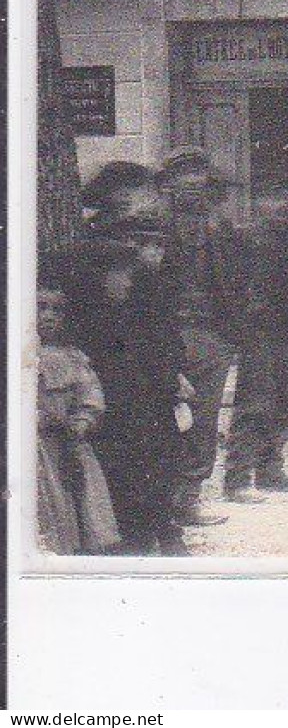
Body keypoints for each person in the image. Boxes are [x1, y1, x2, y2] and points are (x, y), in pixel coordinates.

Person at [72, 230, 190, 555]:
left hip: (145, 408)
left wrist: (170, 381)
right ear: (100, 277)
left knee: (159, 459)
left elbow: (157, 352)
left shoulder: (136, 308)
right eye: (120, 274)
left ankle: (165, 529)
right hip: (113, 413)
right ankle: (144, 533)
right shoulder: (90, 319)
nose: (127, 282)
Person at [159, 147, 246, 528]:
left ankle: (189, 497)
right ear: (170, 185)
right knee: (163, 416)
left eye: (198, 178)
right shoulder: (155, 227)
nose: (191, 186)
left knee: (204, 419)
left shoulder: (219, 226)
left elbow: (235, 281)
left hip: (210, 336)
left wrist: (230, 337)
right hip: (165, 333)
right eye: (183, 178)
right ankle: (159, 500)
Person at [223, 188, 288, 501]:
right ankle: (237, 478)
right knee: (253, 404)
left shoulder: (287, 239)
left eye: (287, 200)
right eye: (274, 198)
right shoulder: (243, 239)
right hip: (256, 333)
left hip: (280, 332)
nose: (283, 205)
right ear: (258, 203)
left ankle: (270, 469)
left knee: (281, 403)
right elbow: (232, 287)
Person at [35, 258, 120, 555]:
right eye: (41, 308)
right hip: (36, 446)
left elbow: (90, 394)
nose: (48, 316)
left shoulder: (72, 356)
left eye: (56, 310)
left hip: (68, 442)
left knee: (79, 500)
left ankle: (79, 551)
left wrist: (82, 420)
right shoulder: (21, 355)